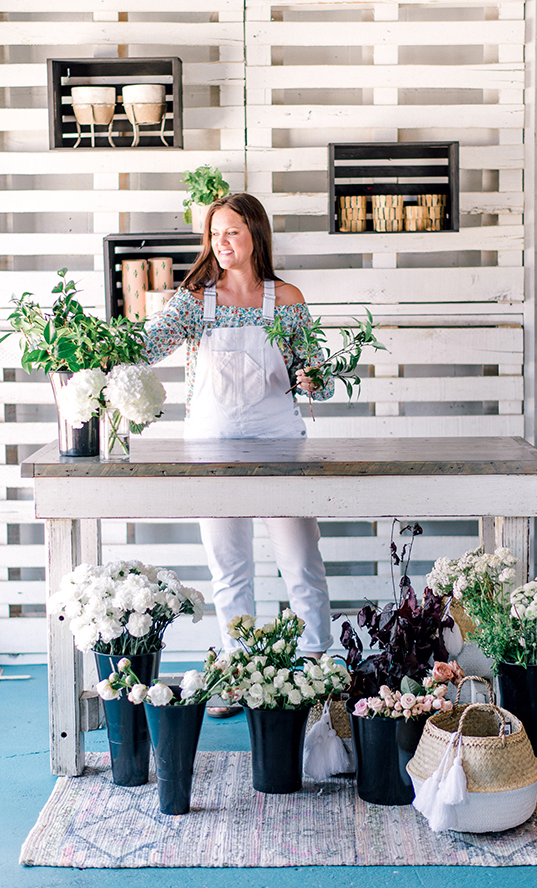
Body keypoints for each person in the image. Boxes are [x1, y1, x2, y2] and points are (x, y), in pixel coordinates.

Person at [143, 193, 335, 711]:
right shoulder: (193, 300)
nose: (221, 243)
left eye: (231, 232)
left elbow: (316, 373)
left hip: (280, 445)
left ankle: (317, 669)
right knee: (229, 568)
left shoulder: (286, 299)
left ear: (255, 234)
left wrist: (314, 379)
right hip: (210, 447)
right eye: (214, 234)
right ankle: (237, 673)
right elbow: (148, 347)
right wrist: (100, 352)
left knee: (302, 560)